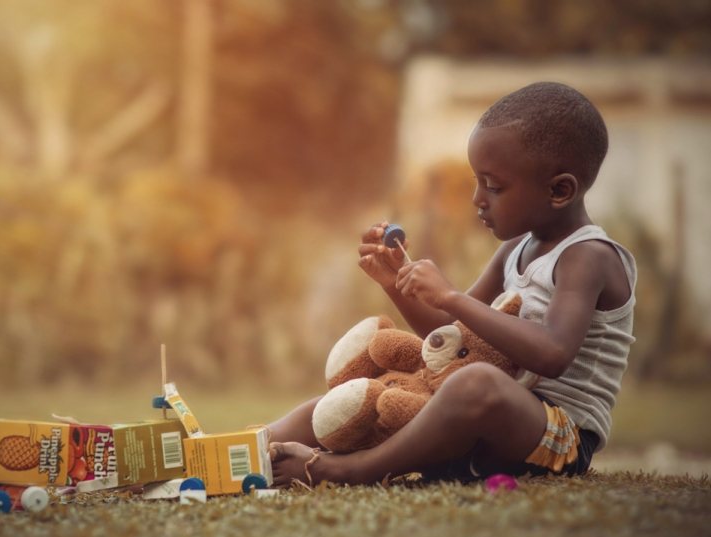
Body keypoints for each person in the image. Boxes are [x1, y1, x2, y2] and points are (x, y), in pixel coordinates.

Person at [266, 81, 637, 487]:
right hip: (476, 425)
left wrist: (452, 296)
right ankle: (248, 446)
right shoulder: (516, 249)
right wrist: (395, 283)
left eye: (494, 187)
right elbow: (451, 338)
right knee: (365, 392)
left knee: (474, 384)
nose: (478, 198)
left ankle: (343, 470)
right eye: (478, 182)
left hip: (555, 438)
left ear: (559, 190)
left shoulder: (589, 257)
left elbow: (552, 354)